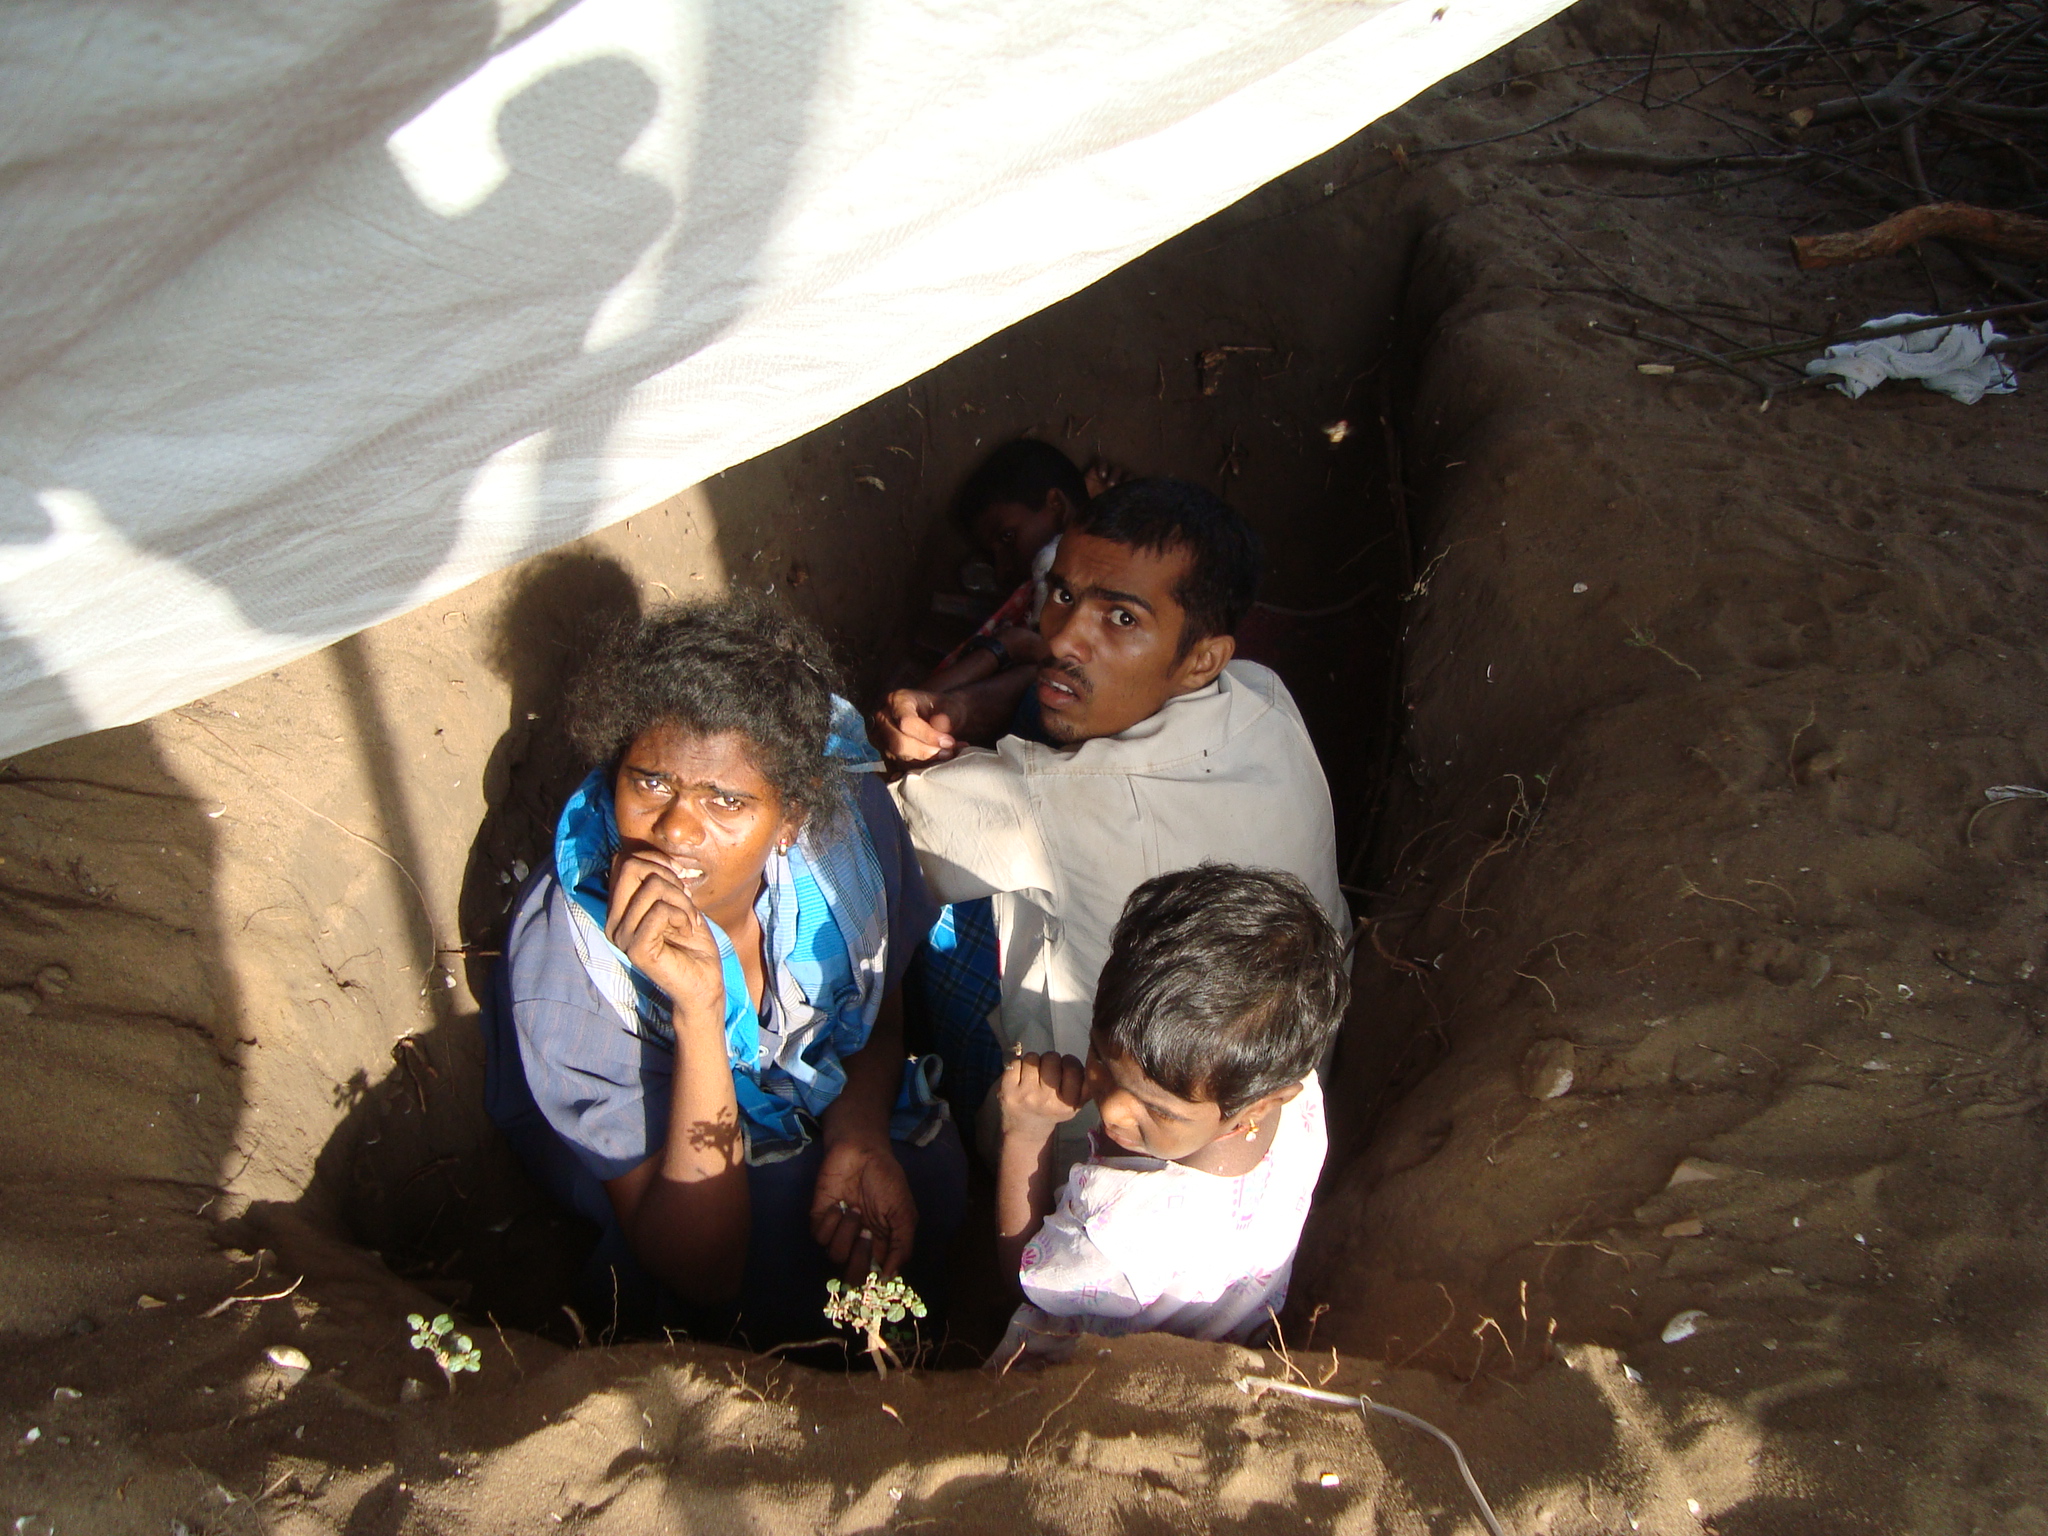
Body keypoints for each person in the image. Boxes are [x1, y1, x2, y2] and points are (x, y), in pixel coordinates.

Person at [482, 594, 966, 1346]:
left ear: (792, 817)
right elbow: (701, 1269)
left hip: (819, 1102)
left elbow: (879, 1014)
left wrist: (858, 1134)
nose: (676, 829)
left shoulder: (847, 836)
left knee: (926, 1180)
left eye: (727, 801)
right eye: (651, 783)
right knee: (761, 1247)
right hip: (655, 1162)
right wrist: (699, 1012)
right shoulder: (572, 958)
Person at [875, 477, 1347, 1162]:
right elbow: (1053, 680)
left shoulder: (1056, 802)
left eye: (1122, 619)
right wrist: (980, 703)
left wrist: (961, 684)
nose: (1065, 637)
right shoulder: (1261, 695)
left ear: (1202, 658)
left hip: (1085, 1136)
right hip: (1256, 1100)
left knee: (899, 901)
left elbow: (876, 831)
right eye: (1063, 595)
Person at [991, 865, 1347, 1362]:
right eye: (1101, 1059)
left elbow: (1024, 1281)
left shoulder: (1118, 1230)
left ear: (1259, 1104)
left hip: (1085, 1373)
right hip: (1227, 1335)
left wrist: (1027, 1135)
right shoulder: (1295, 1090)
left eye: (1157, 1109)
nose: (1111, 1111)